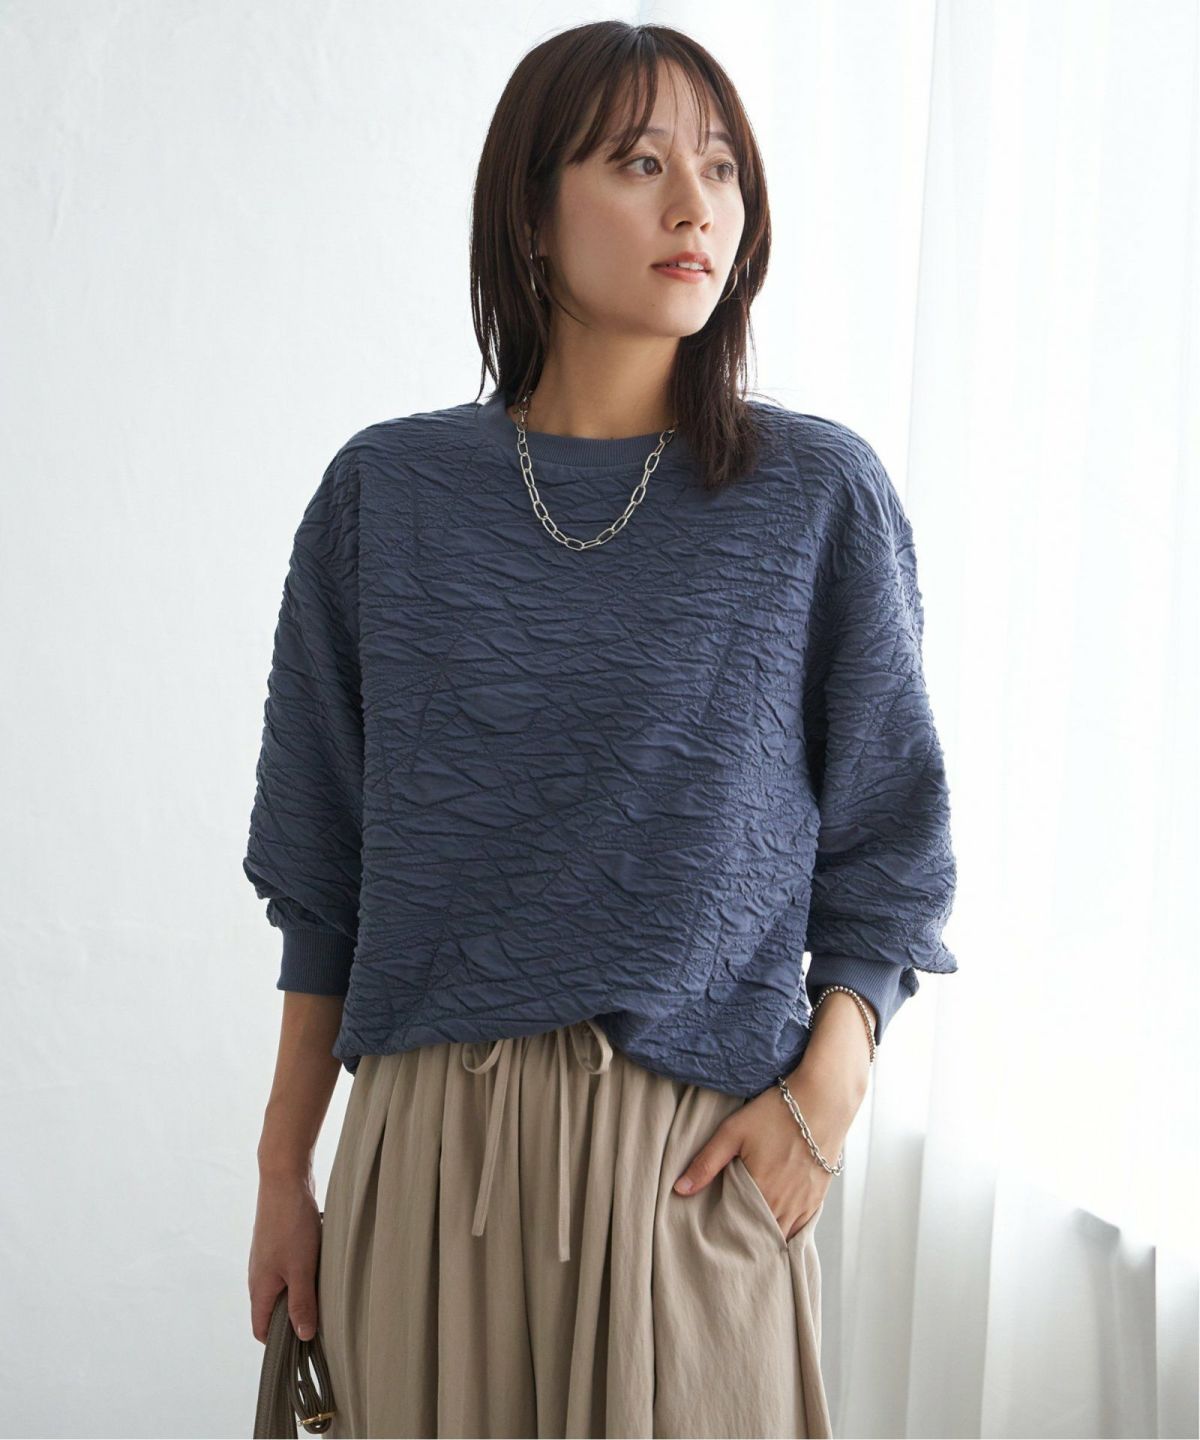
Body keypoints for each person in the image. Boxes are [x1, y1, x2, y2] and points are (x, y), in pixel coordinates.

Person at [245, 19, 958, 1439]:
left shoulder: (817, 496)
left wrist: (828, 1093)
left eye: (721, 167)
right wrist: (283, 1172)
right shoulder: (386, 496)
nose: (696, 205)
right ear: (530, 210)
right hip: (430, 1152)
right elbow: (324, 868)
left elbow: (891, 839)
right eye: (639, 163)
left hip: (690, 1154)